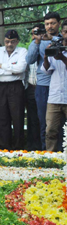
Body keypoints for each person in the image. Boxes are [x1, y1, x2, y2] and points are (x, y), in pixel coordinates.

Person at [26, 12, 61, 149]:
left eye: (52, 23)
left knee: (61, 123)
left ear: (58, 23)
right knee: (44, 122)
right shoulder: (38, 41)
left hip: (60, 85)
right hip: (43, 86)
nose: (49, 26)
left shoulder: (63, 38)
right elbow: (29, 60)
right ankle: (46, 153)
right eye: (47, 24)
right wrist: (37, 41)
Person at [0, 30, 27, 150]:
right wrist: (12, 71)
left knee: (17, 117)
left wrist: (3, 66)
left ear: (17, 41)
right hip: (0, 86)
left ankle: (18, 147)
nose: (9, 44)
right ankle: (3, 147)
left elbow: (21, 68)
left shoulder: (22, 51)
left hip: (16, 86)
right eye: (7, 41)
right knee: (1, 118)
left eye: (12, 41)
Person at [42, 21, 67, 151]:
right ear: (62, 33)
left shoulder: (61, 53)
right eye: (66, 32)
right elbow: (46, 70)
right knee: (50, 130)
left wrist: (62, 58)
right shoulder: (55, 47)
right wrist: (46, 57)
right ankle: (50, 158)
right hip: (54, 97)